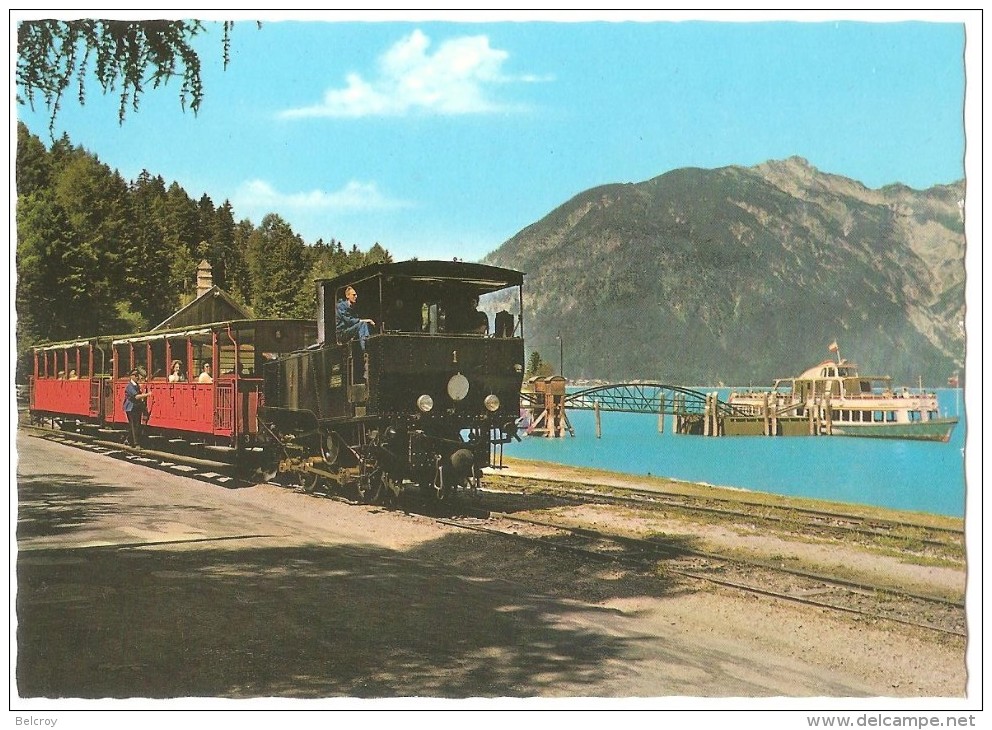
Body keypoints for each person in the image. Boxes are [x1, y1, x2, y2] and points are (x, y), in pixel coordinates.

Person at [336, 285, 375, 350]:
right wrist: (366, 320)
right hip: (342, 333)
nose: (356, 296)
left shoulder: (352, 307)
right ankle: (365, 349)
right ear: (347, 296)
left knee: (365, 324)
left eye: (356, 295)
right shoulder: (341, 306)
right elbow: (349, 320)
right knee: (362, 324)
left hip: (348, 330)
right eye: (354, 295)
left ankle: (367, 343)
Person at [123, 368, 151, 448]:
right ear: (131, 376)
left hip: (136, 408)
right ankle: (136, 443)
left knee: (136, 425)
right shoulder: (130, 386)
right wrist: (147, 394)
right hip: (131, 408)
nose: (137, 377)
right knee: (134, 425)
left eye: (137, 375)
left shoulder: (136, 385)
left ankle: (128, 440)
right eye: (135, 376)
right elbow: (136, 396)